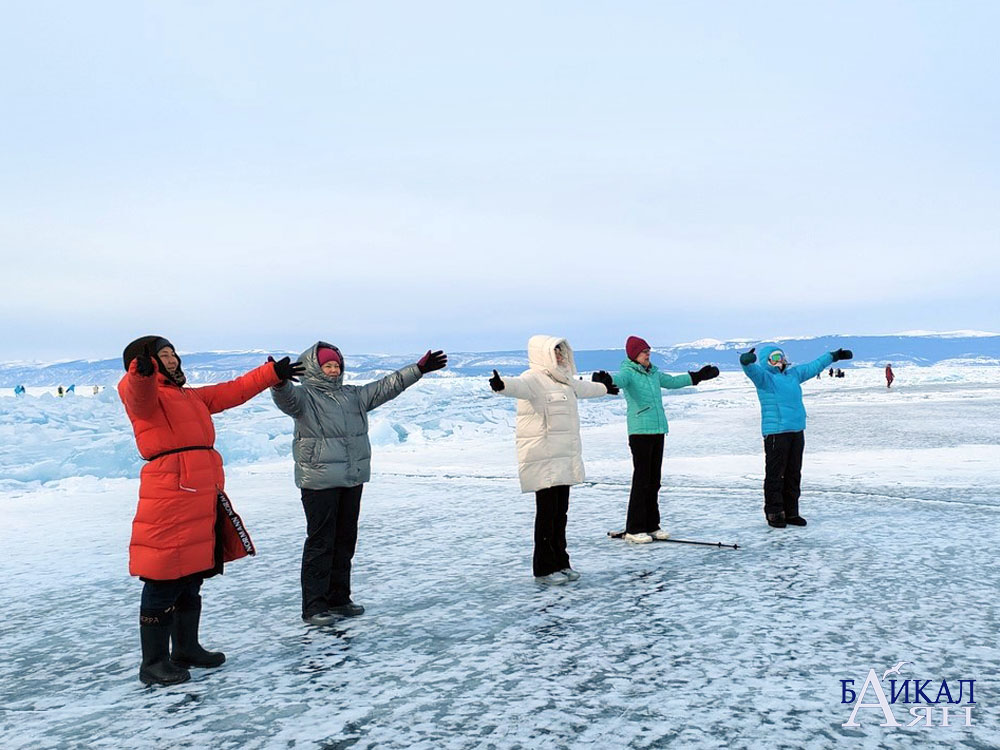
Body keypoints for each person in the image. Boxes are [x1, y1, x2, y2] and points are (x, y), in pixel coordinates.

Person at [118, 335, 301, 686]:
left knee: (192, 574)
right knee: (163, 576)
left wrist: (271, 373)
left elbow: (233, 391)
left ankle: (186, 648)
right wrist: (140, 373)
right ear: (146, 361)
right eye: (162, 356)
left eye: (173, 354)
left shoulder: (190, 396)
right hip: (170, 492)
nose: (171, 360)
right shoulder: (145, 396)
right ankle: (153, 663)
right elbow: (137, 393)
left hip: (200, 492)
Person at [272, 342, 447, 625]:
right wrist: (277, 380)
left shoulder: (352, 395)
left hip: (351, 478)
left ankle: (339, 599)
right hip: (319, 481)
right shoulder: (305, 397)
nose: (332, 370)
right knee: (321, 543)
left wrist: (419, 369)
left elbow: (386, 387)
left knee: (344, 541)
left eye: (336, 366)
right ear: (315, 369)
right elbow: (285, 398)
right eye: (327, 366)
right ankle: (314, 607)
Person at [489, 336, 615, 583]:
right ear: (543, 354)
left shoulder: (565, 380)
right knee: (546, 516)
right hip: (544, 459)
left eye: (562, 352)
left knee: (560, 514)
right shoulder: (533, 378)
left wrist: (604, 389)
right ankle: (544, 569)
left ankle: (561, 562)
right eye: (555, 353)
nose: (560, 357)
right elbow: (518, 387)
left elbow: (584, 389)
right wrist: (501, 384)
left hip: (563, 459)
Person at [601, 336, 719, 543]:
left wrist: (697, 376)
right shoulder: (629, 372)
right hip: (640, 433)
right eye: (643, 352)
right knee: (641, 480)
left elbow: (672, 382)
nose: (647, 354)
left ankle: (651, 525)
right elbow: (619, 380)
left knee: (654, 481)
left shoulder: (653, 373)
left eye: (648, 351)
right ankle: (635, 528)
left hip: (657, 430)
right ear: (633, 355)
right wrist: (606, 380)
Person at [739, 344, 853, 528]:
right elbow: (751, 371)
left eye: (781, 356)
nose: (780, 361)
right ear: (767, 361)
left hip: (796, 430)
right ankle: (775, 512)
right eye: (775, 357)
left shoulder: (793, 375)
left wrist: (833, 356)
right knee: (775, 475)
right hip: (776, 432)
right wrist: (746, 361)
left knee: (793, 473)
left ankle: (791, 512)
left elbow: (813, 366)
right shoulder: (765, 378)